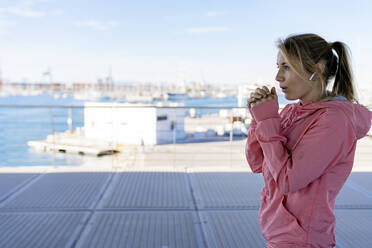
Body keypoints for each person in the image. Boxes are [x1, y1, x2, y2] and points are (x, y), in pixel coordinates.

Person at [245, 33, 372, 248]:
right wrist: (260, 119)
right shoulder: (291, 112)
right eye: (278, 66)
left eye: (287, 67)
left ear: (317, 69)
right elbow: (257, 163)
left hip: (303, 239)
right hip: (277, 234)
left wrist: (267, 119)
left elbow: (287, 181)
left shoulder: (334, 121)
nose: (277, 77)